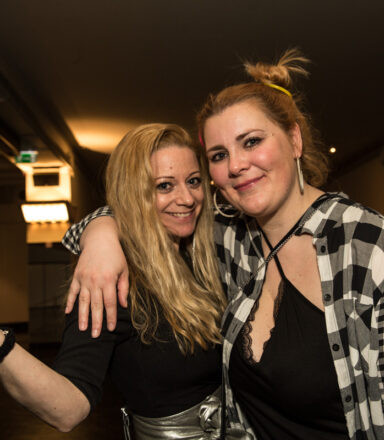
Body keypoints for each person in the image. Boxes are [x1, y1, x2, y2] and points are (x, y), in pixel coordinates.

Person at [59, 50, 384, 439]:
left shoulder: (369, 247)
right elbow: (140, 209)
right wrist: (101, 234)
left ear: (294, 139)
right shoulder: (231, 239)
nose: (236, 165)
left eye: (252, 141)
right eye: (219, 155)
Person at [0, 123, 234, 440]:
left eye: (193, 181)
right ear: (133, 193)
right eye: (164, 186)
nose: (187, 198)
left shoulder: (206, 252)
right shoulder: (111, 279)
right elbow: (67, 409)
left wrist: (99, 226)